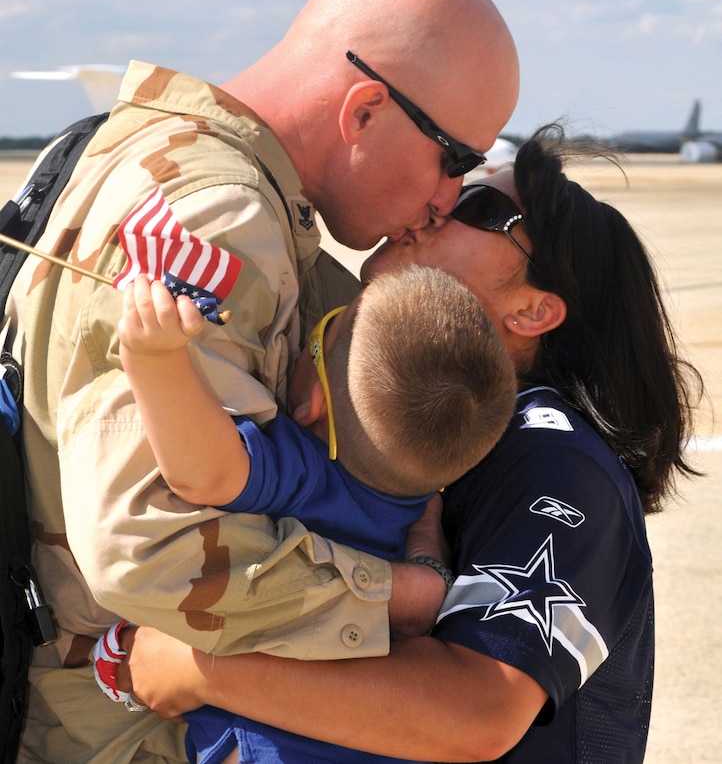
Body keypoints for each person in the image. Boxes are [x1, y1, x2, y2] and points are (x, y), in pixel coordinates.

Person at [5, 0, 519, 761]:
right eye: (454, 159)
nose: (446, 198)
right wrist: (395, 595)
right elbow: (153, 550)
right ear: (365, 111)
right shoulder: (224, 218)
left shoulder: (127, 148)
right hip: (128, 734)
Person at [120, 125, 703, 763]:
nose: (435, 209)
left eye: (482, 209)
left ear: (533, 312)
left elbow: (482, 709)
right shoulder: (418, 416)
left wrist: (204, 669)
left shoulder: (554, 462)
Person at [99, 263, 516, 763]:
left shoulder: (305, 473)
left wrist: (153, 356)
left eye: (324, 326)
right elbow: (426, 561)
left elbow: (203, 473)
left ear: (312, 403)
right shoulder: (422, 506)